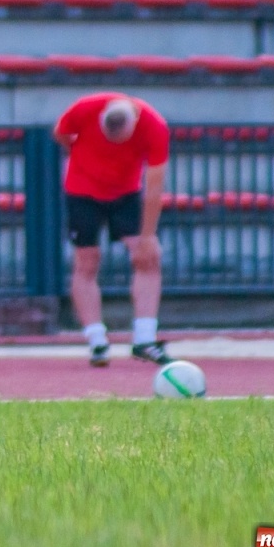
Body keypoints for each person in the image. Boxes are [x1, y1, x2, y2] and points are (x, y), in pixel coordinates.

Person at [54, 93, 171, 368]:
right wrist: (79, 156)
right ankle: (97, 340)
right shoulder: (84, 108)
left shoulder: (154, 127)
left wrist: (148, 235)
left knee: (147, 257)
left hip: (126, 193)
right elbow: (62, 133)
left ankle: (144, 338)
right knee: (87, 261)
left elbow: (155, 185)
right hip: (82, 191)